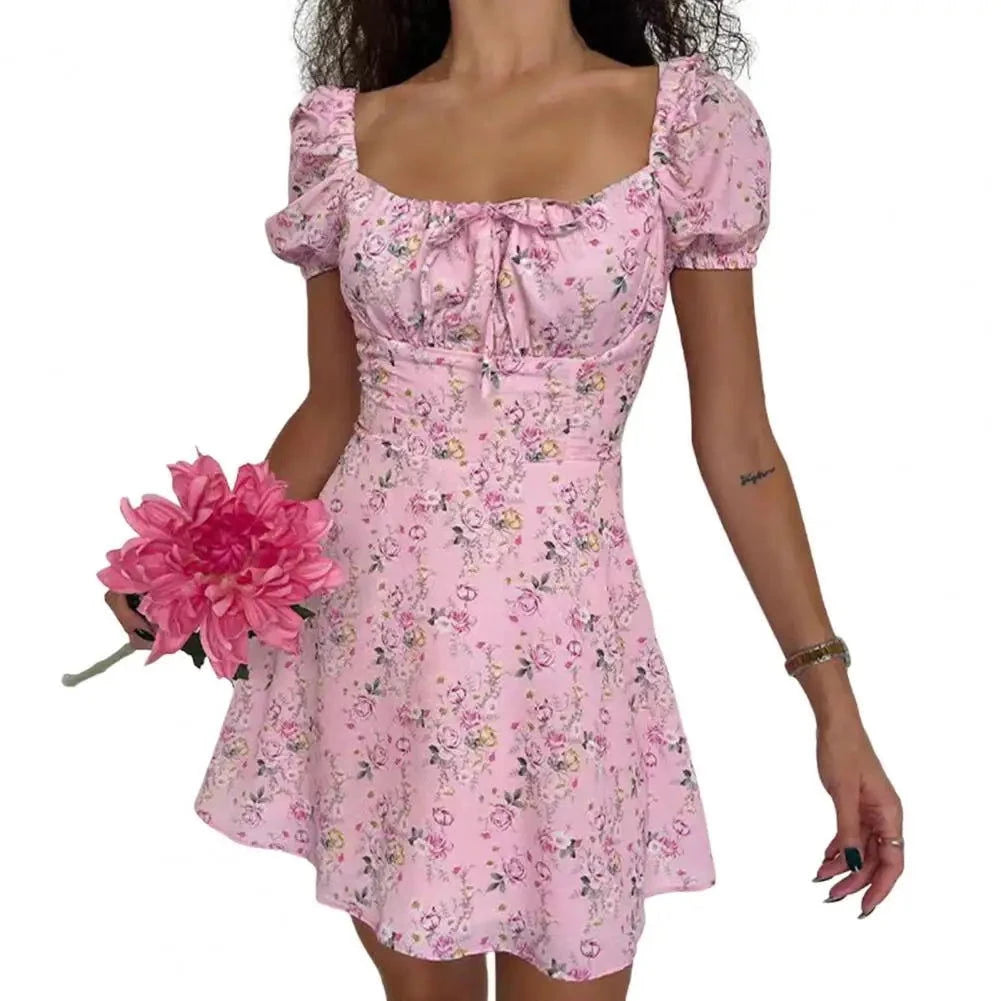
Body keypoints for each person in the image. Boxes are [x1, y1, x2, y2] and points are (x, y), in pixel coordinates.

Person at [105, 2, 905, 998]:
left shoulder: (686, 124)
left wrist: (833, 706)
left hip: (564, 655)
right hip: (380, 642)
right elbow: (332, 407)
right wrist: (195, 570)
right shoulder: (344, 135)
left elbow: (737, 443)